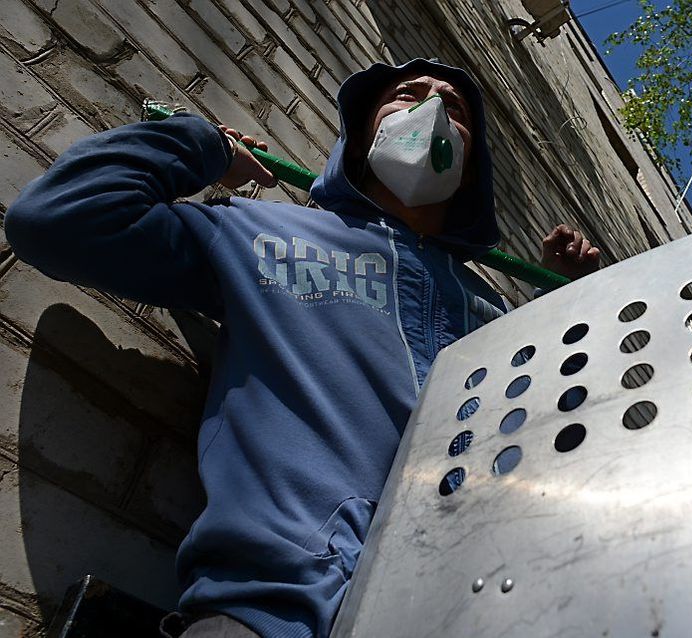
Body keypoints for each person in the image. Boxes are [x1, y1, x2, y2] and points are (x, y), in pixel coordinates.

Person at [5, 58, 599, 637]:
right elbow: (59, 220)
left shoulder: (494, 316)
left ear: (472, 167)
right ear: (362, 133)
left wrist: (573, 309)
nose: (431, 108)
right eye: (408, 93)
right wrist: (201, 146)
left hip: (479, 612)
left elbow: (567, 441)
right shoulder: (257, 234)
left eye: (456, 109)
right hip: (277, 614)